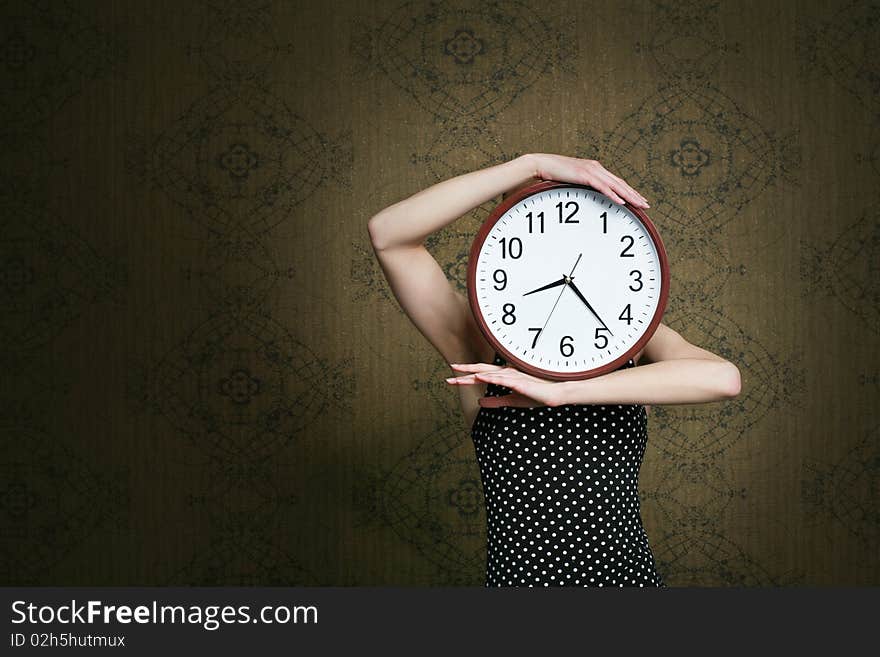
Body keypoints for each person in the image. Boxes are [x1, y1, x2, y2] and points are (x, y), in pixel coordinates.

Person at [367, 153, 741, 587]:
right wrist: (530, 164)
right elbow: (388, 235)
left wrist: (562, 392)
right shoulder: (477, 343)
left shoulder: (630, 336)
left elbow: (723, 378)